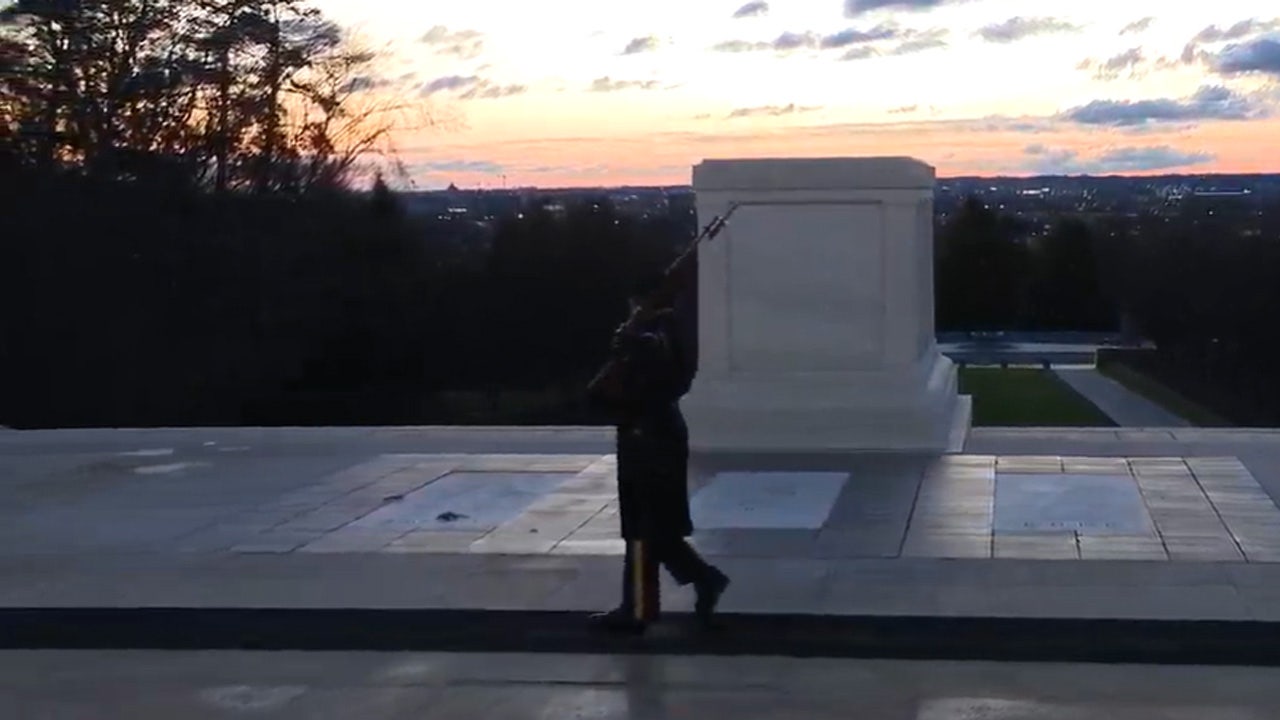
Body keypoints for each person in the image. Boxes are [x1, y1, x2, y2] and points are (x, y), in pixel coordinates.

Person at [588, 276, 730, 635]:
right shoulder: (663, 330)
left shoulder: (658, 334)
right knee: (651, 529)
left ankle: (640, 608)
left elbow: (656, 368)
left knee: (644, 528)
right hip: (648, 432)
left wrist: (631, 341)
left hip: (649, 435)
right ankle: (684, 587)